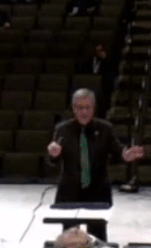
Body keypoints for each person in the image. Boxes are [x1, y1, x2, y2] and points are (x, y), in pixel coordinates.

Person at [46, 89, 145, 240]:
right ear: (73, 108)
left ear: (94, 107)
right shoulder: (62, 130)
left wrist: (126, 154)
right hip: (70, 191)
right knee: (70, 240)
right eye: (79, 107)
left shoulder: (105, 128)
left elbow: (118, 150)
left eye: (88, 107)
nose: (84, 111)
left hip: (98, 191)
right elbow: (53, 160)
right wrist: (53, 154)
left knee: (98, 239)